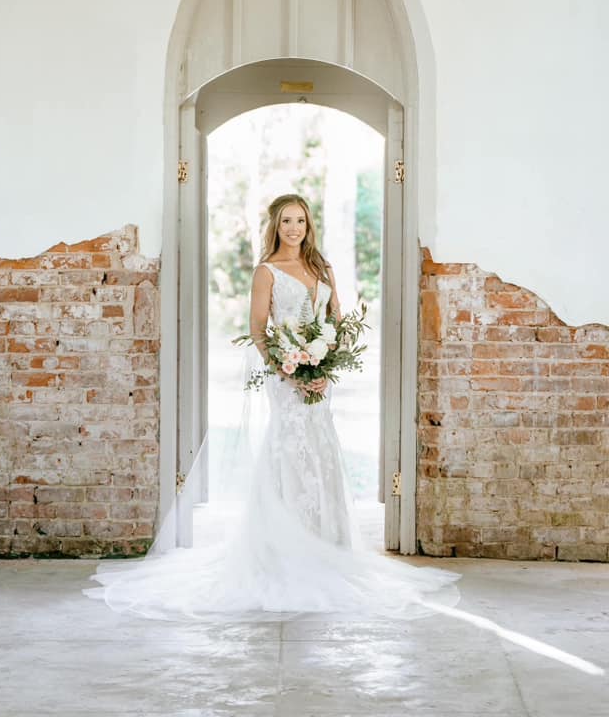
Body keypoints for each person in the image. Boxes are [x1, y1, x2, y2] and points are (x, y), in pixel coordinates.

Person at [84, 194, 460, 620]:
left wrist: (324, 366)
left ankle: (328, 547)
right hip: (285, 380)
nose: (294, 229)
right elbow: (258, 331)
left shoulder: (323, 269)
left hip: (320, 377)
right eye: (286, 222)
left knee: (321, 450)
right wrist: (287, 368)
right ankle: (282, 550)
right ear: (275, 227)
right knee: (289, 450)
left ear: (309, 225)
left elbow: (334, 323)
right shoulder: (266, 272)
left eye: (300, 221)